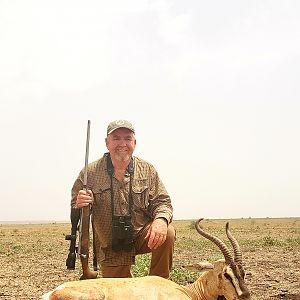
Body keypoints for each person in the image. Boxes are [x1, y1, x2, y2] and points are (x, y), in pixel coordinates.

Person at [71, 119, 175, 279]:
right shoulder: (89, 172)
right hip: (111, 245)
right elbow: (75, 204)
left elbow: (162, 202)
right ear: (107, 143)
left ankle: (159, 283)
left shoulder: (147, 169)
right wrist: (80, 203)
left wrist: (161, 220)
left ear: (134, 142)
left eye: (127, 138)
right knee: (119, 293)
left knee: (167, 232)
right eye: (116, 138)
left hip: (141, 234)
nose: (122, 143)